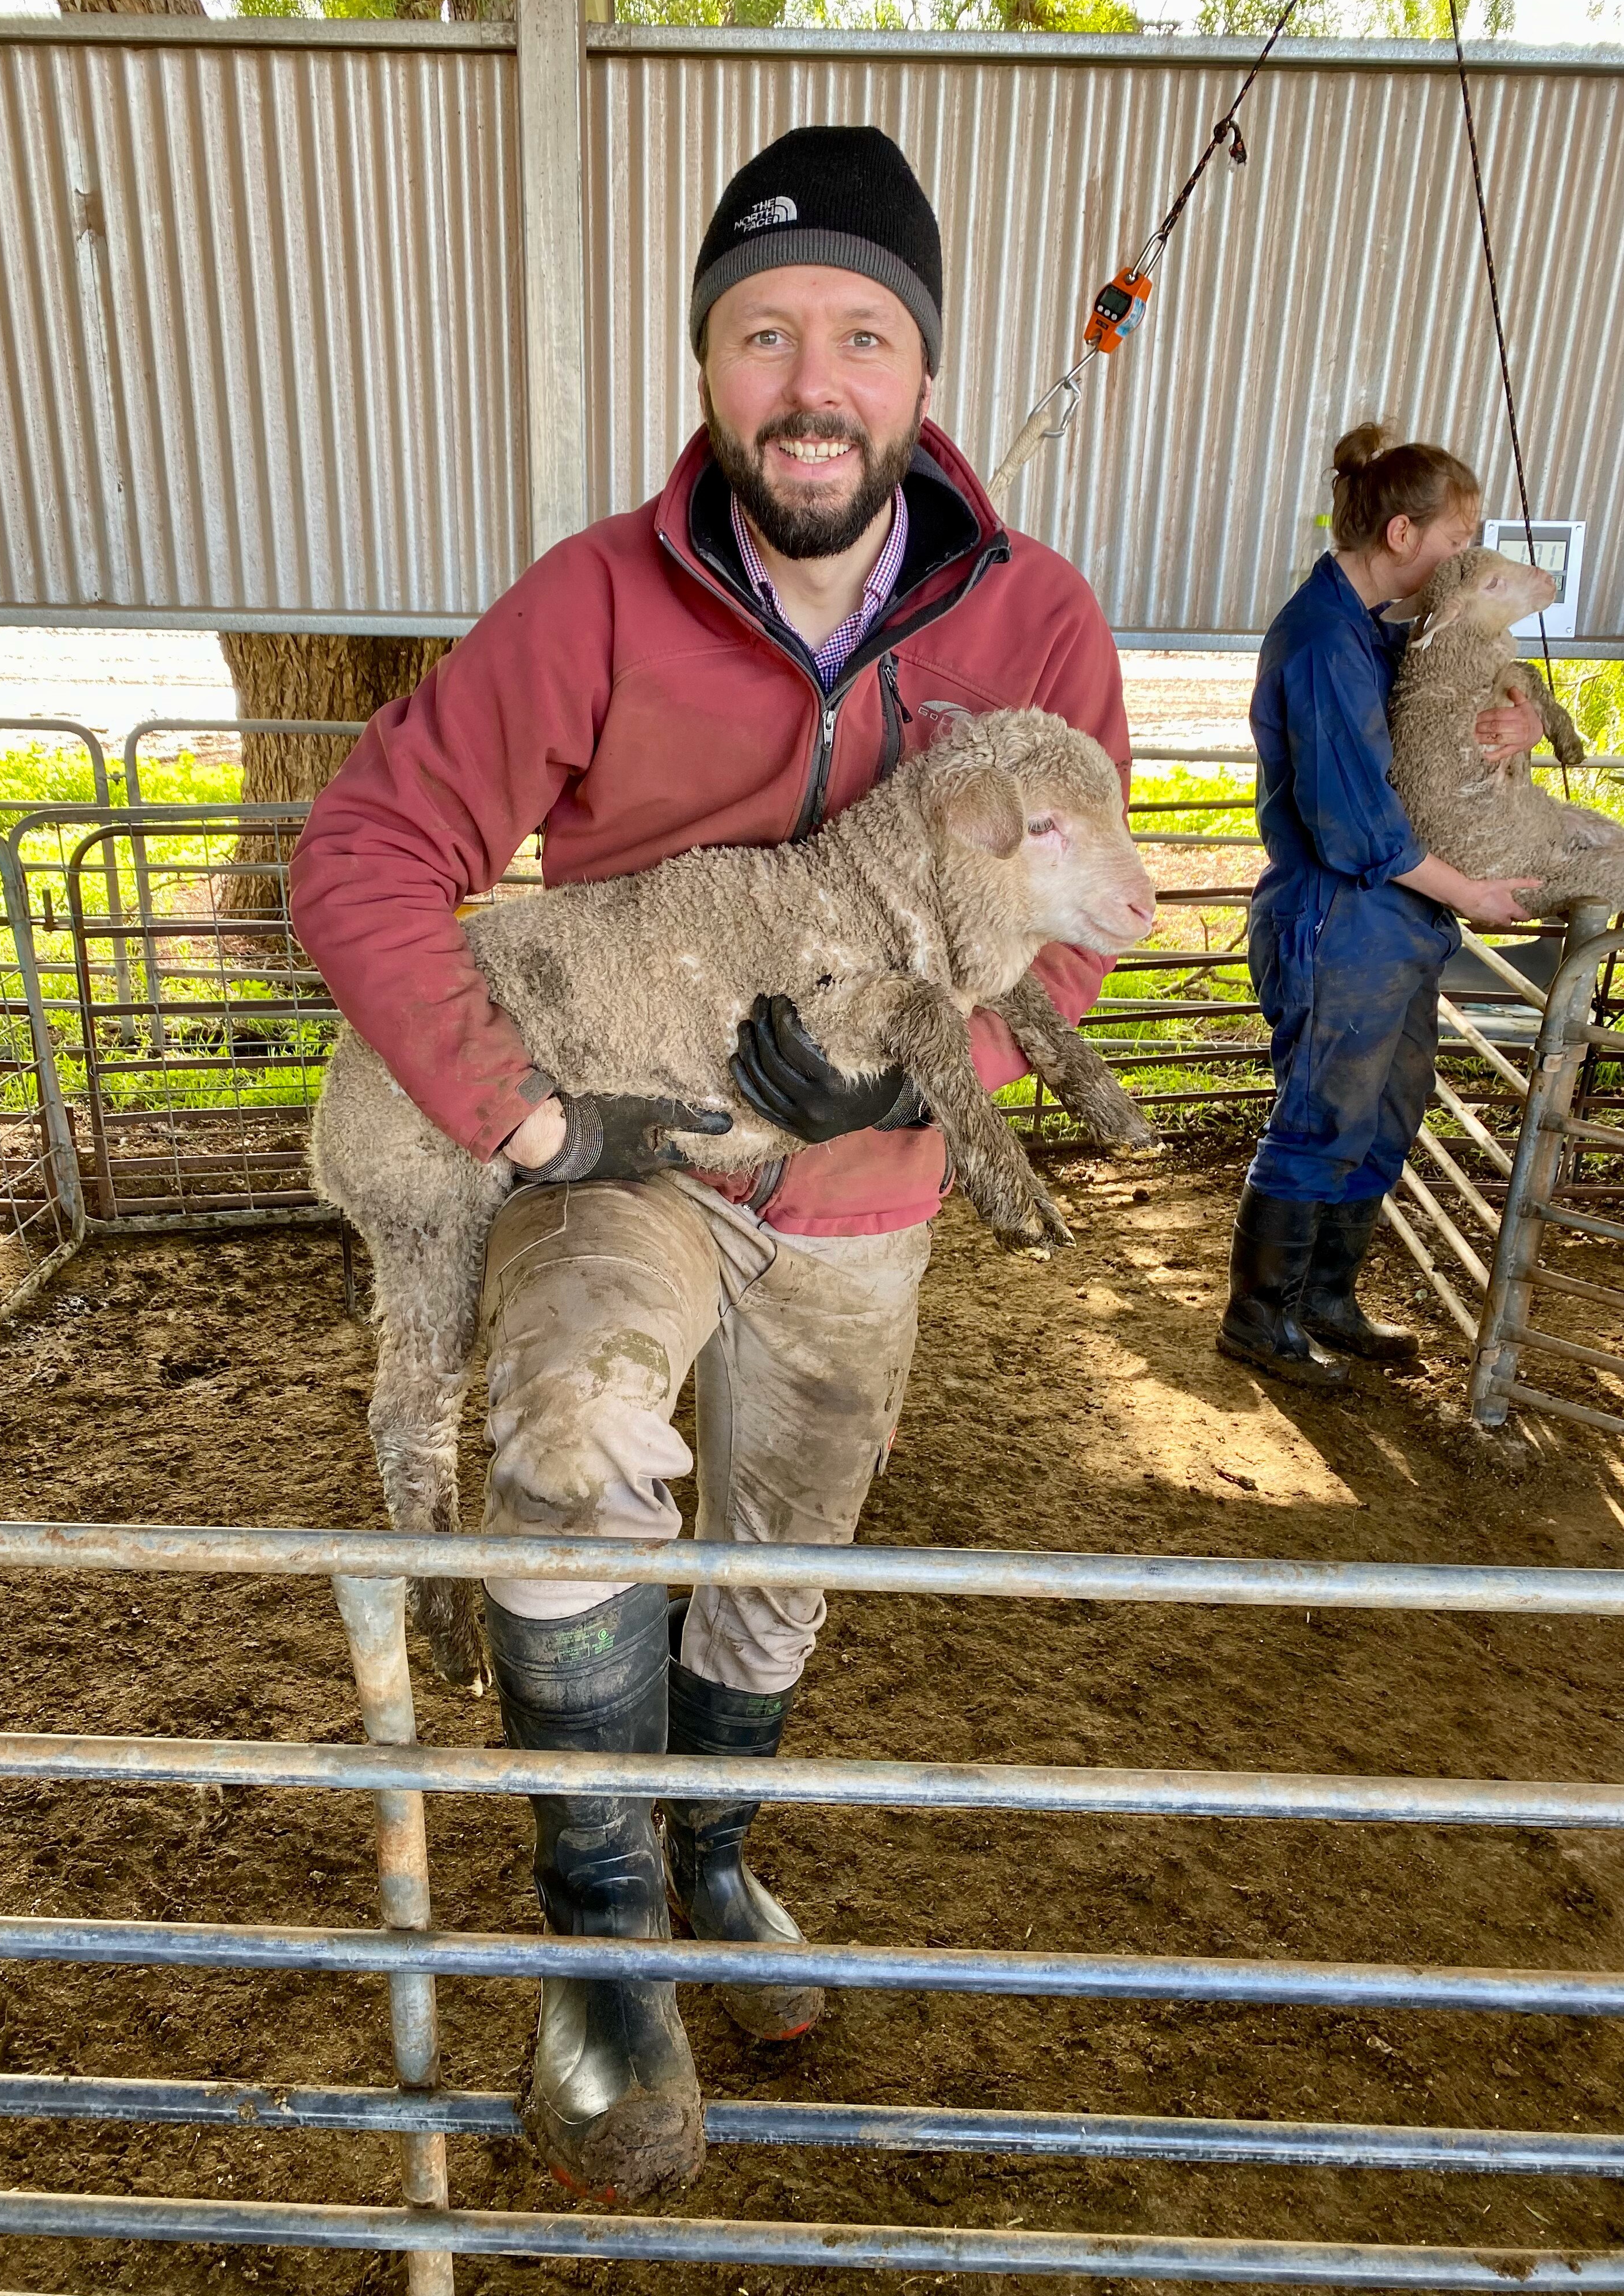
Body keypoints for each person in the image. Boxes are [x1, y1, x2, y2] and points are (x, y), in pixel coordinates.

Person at [290, 124, 1131, 2202]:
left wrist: (922, 1084)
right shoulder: (594, 600)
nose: (810, 379)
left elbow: (1074, 927)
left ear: (920, 372)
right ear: (706, 368)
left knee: (776, 1560)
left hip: (860, 1211)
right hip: (637, 1163)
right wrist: (534, 1117)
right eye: (763, 333)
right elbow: (366, 854)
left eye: (860, 331)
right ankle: (593, 1959)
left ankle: (708, 1859)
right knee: (569, 1443)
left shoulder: (1034, 623)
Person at [1218, 423, 1545, 1389]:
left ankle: (1325, 1297)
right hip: (1337, 914)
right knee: (1323, 1115)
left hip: (1394, 922)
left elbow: (1450, 709)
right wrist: (1473, 892)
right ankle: (1257, 1317)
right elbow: (1353, 826)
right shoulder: (1323, 639)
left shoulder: (1379, 628)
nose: (1469, 558)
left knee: (1387, 1112)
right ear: (1402, 534)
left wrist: (1515, 711)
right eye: (1459, 539)